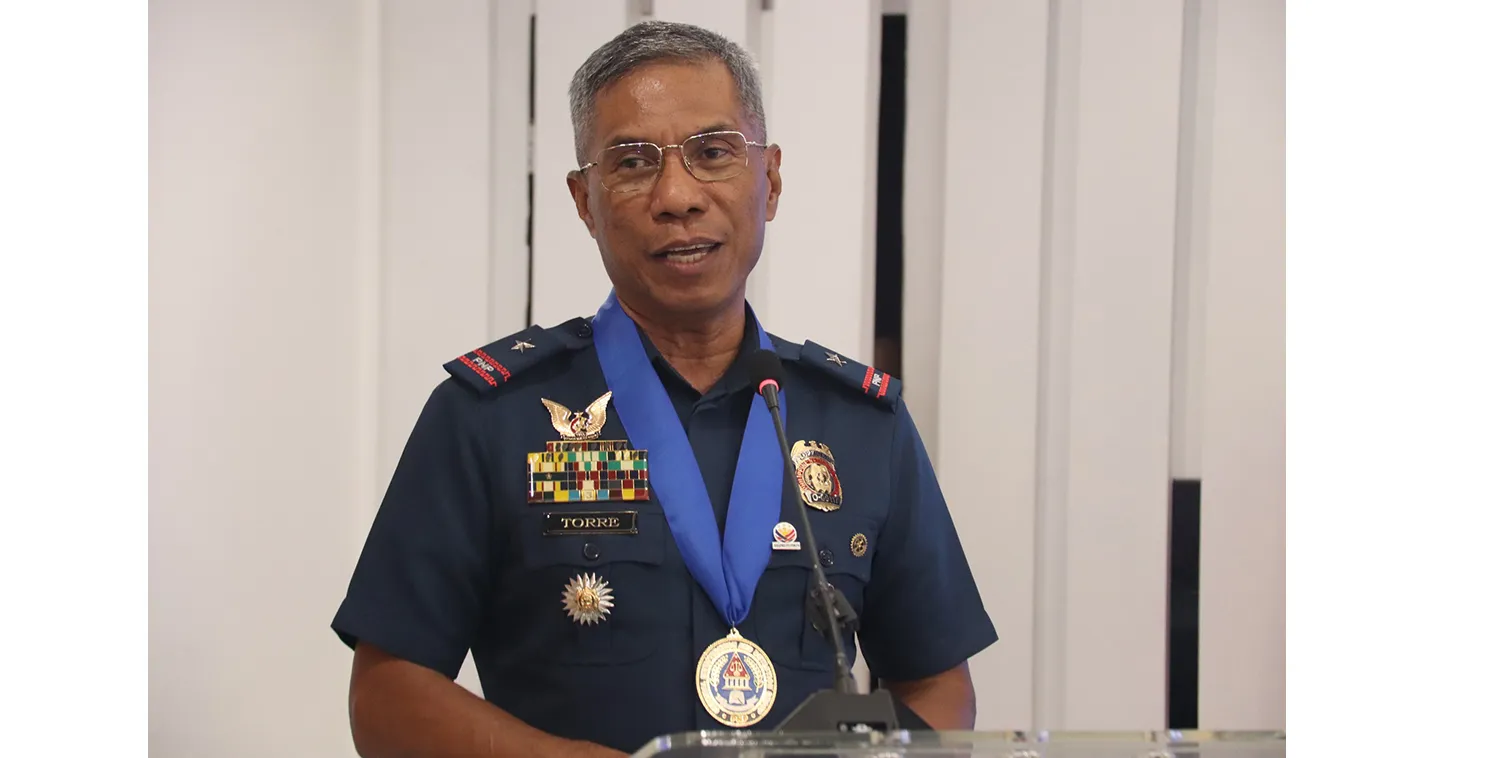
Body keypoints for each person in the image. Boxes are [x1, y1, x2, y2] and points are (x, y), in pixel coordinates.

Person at [331, 20, 997, 758]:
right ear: (584, 201)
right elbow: (386, 695)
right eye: (633, 163)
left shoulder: (861, 424)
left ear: (771, 181)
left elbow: (936, 682)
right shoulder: (490, 417)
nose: (677, 196)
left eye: (713, 153)